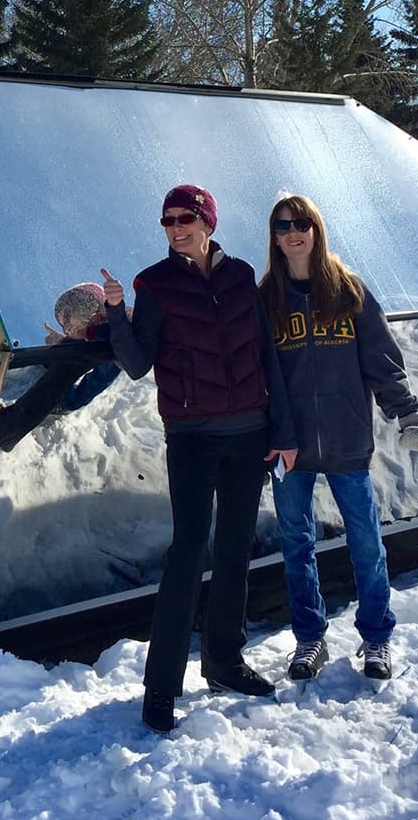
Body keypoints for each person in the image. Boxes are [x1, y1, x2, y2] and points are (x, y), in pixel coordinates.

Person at [103, 184, 299, 734]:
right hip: (191, 437)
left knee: (236, 549)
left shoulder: (241, 278)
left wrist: (281, 429)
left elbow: (266, 356)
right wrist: (117, 312)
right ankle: (160, 686)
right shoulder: (155, 284)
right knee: (188, 553)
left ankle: (224, 660)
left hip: (250, 433)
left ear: (208, 221)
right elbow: (138, 362)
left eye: (185, 218)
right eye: (166, 220)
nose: (175, 228)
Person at [258, 195, 418, 686]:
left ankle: (376, 638)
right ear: (273, 236)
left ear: (316, 229)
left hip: (346, 441)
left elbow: (380, 359)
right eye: (281, 226)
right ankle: (309, 639)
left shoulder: (348, 290)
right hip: (290, 449)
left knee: (365, 543)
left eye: (301, 224)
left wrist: (408, 416)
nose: (292, 233)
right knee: (297, 545)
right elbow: (258, 375)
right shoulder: (266, 299)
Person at [0, 283, 121, 453]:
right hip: (96, 341)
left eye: (67, 317)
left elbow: (97, 379)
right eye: (62, 323)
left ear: (89, 307)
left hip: (115, 351)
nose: (65, 326)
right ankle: (46, 360)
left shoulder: (116, 326)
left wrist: (69, 402)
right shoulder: (93, 330)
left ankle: (8, 428)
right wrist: (60, 343)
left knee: (72, 365)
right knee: (71, 350)